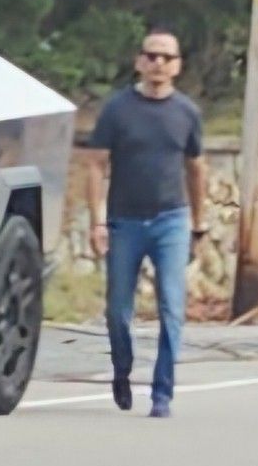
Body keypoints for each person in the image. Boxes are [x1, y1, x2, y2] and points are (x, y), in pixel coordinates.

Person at [81, 31, 206, 419]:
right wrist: (97, 222)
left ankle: (162, 393)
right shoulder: (118, 110)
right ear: (139, 62)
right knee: (118, 310)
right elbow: (96, 165)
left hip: (171, 219)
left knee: (172, 307)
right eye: (151, 56)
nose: (158, 64)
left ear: (177, 66)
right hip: (124, 222)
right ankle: (122, 370)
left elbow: (195, 168)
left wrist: (199, 224)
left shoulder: (187, 113)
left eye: (166, 57)